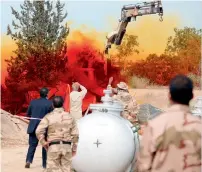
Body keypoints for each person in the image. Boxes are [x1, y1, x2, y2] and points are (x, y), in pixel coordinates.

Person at [137, 75, 202, 172]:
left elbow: (143, 166)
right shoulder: (199, 126)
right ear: (192, 96)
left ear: (169, 95)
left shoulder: (154, 125)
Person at [36, 96, 79, 172]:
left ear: (52, 105)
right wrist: (74, 149)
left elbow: (39, 131)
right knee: (67, 169)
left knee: (53, 170)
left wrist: (44, 143)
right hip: (67, 146)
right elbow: (75, 134)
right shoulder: (70, 117)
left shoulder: (48, 117)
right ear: (63, 104)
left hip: (53, 146)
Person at [25, 87, 53, 169]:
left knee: (32, 145)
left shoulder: (33, 102)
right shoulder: (50, 103)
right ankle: (44, 165)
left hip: (33, 127)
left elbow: (28, 114)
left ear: (40, 94)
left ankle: (28, 161)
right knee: (45, 146)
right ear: (47, 94)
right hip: (44, 128)